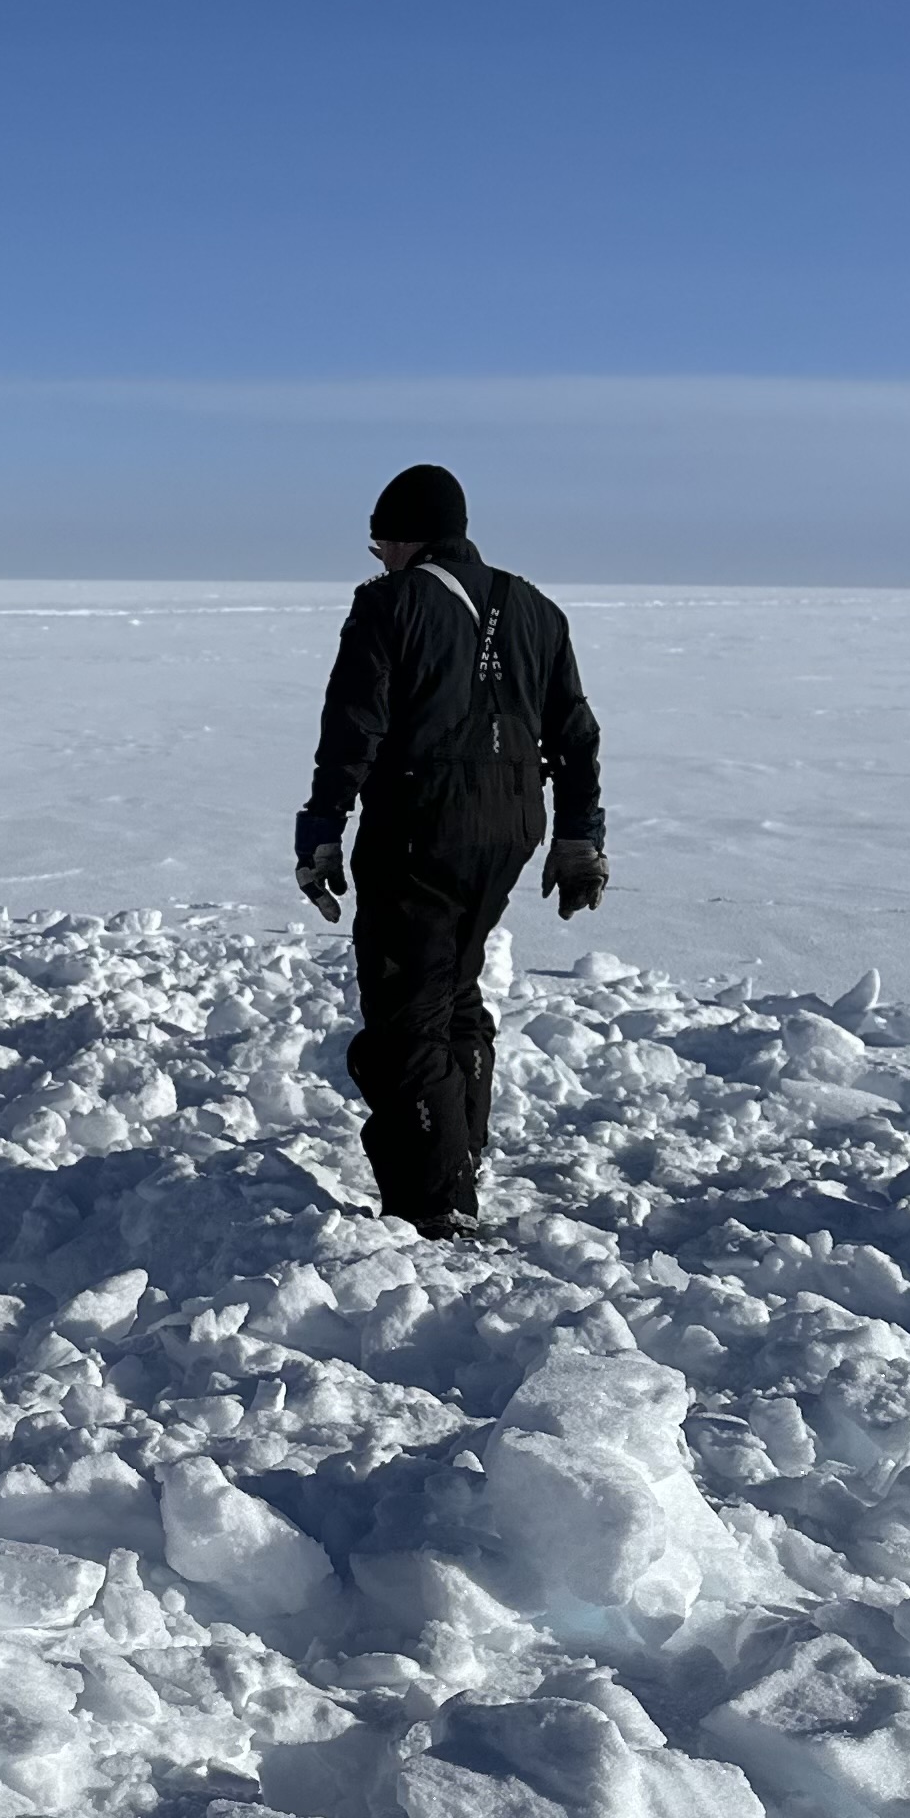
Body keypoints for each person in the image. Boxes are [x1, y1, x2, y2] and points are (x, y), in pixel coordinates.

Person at [295, 465, 606, 1239]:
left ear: (406, 538)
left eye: (381, 544)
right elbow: (575, 735)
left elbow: (353, 727)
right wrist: (578, 838)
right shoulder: (536, 608)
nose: (378, 558)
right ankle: (460, 1149)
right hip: (511, 829)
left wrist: (322, 828)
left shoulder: (390, 604)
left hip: (420, 829)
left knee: (405, 1018)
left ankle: (435, 1205)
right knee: (454, 987)